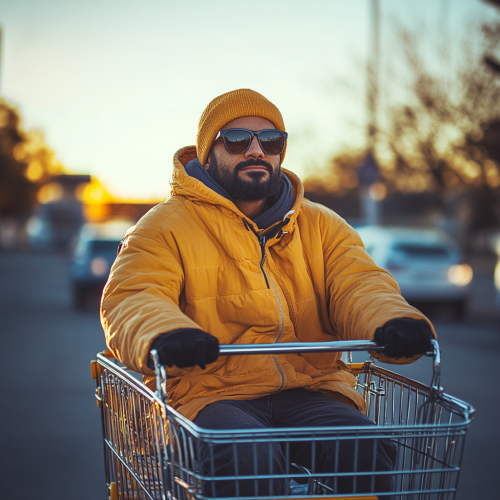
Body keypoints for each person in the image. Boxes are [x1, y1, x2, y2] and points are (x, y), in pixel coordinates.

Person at [101, 89, 435, 497]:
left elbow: (359, 282)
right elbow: (135, 293)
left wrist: (390, 320)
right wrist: (165, 333)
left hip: (310, 386)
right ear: (210, 153)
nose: (256, 150)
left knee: (362, 445)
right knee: (245, 454)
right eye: (238, 140)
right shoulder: (163, 226)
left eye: (271, 141)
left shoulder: (322, 225)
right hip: (209, 394)